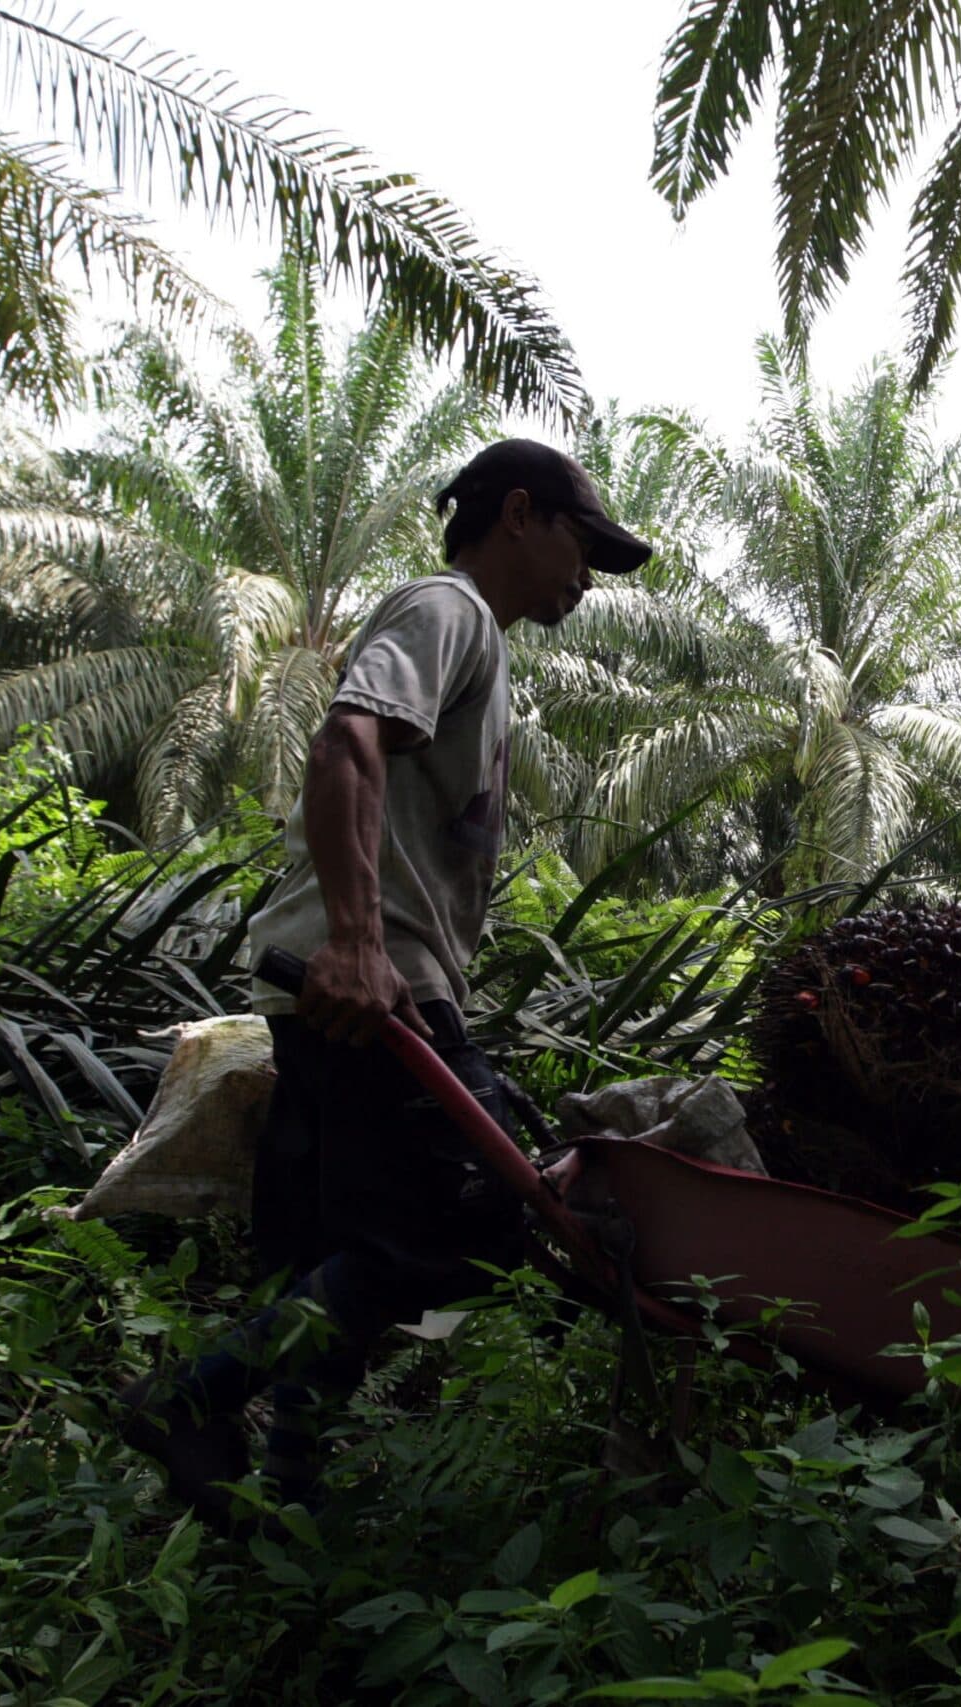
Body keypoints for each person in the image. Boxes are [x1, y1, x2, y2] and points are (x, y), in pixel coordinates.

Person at [116, 438, 651, 1529]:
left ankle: (289, 1499)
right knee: (477, 1224)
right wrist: (359, 945)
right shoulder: (446, 610)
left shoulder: (479, 646)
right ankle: (191, 1398)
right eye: (580, 543)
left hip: (367, 987)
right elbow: (346, 744)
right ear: (518, 513)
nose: (586, 577)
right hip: (369, 987)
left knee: (347, 1252)